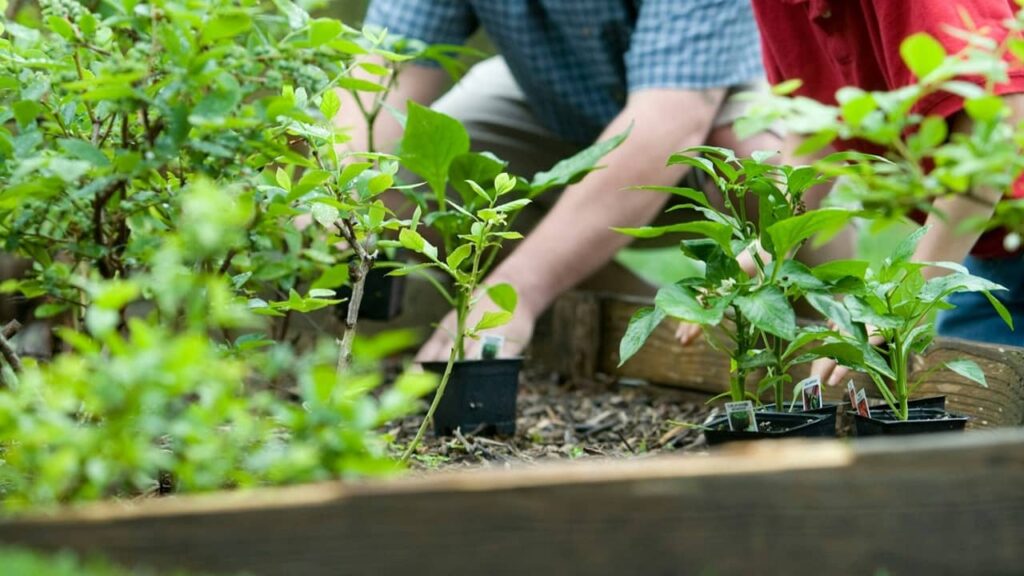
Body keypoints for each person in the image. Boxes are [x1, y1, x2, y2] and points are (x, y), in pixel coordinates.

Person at [336, 0, 781, 362]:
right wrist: (333, 199)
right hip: (555, 98)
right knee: (406, 178)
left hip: (708, 103)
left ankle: (815, 331)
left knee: (766, 173)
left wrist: (517, 291)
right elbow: (386, 66)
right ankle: (633, 317)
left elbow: (669, 121)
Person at [714, 0, 1024, 385]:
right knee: (973, 403)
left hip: (998, 237)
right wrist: (773, 242)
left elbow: (998, 122)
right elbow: (814, 119)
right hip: (991, 256)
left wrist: (899, 296)